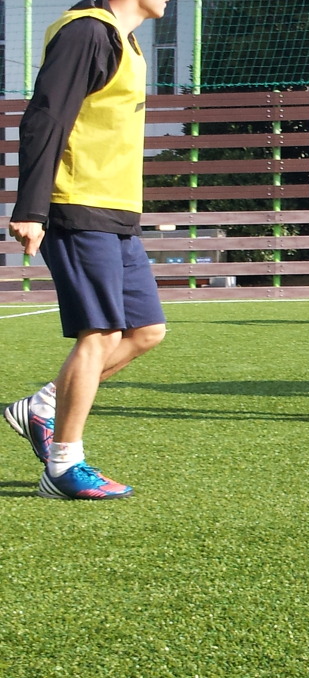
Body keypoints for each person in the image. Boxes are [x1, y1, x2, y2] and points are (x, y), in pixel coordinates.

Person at [5, 0, 168, 499]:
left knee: (146, 331)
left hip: (116, 210)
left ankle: (43, 407)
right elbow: (45, 118)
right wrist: (31, 209)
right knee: (100, 332)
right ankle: (62, 466)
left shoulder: (124, 39)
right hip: (76, 204)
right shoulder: (87, 33)